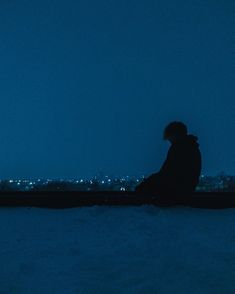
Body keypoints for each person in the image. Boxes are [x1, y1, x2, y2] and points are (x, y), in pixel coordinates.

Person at [135, 121, 202, 202]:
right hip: (187, 189)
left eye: (169, 137)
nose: (169, 141)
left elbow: (167, 173)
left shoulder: (179, 147)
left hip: (177, 191)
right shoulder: (191, 146)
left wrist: (147, 183)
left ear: (174, 135)